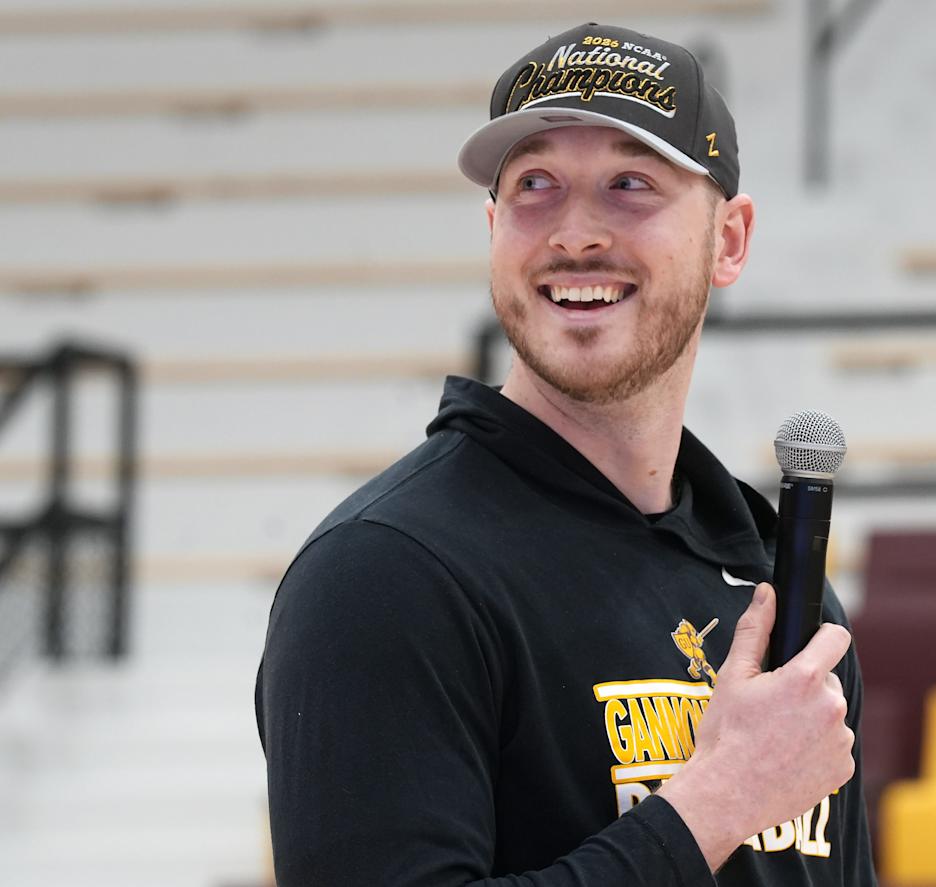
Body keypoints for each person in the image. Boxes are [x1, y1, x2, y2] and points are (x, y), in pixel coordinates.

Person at [256, 22, 876, 886]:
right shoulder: (387, 573)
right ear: (492, 229)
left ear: (729, 240)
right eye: (535, 185)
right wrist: (717, 801)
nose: (575, 233)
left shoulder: (780, 594)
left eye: (630, 183)